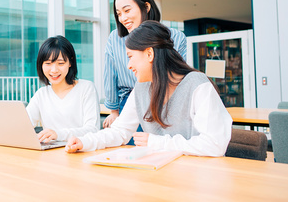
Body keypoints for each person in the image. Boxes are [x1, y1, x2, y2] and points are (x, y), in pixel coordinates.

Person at [65, 21, 232, 156]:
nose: (129, 66)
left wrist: (156, 143)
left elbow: (214, 144)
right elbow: (121, 131)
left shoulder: (197, 85)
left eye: (130, 57)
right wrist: (85, 142)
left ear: (149, 54)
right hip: (163, 175)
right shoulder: (142, 87)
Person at [103, 0, 187, 129]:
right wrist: (114, 112)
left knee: (162, 148)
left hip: (165, 102)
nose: (123, 18)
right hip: (129, 102)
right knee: (129, 149)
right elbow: (110, 75)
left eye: (127, 10)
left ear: (146, 7)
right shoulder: (115, 38)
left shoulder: (175, 37)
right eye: (119, 14)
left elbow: (179, 76)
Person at [26, 35, 100, 143]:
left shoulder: (86, 88)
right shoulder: (41, 94)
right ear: (41, 65)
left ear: (70, 62)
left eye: (60, 63)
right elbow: (24, 125)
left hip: (79, 150)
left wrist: (58, 134)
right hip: (50, 152)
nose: (54, 70)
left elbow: (92, 130)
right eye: (48, 63)